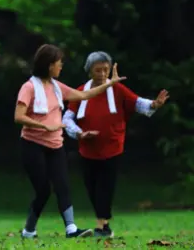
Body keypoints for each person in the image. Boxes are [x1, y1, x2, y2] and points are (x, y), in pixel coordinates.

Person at [14, 44, 127, 239]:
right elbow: (18, 116)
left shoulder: (57, 87)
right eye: (59, 63)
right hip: (33, 145)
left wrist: (109, 84)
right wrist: (44, 126)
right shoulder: (29, 87)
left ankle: (71, 229)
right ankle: (29, 230)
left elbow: (84, 95)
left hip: (55, 146)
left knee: (63, 186)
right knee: (43, 191)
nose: (61, 67)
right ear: (49, 65)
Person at [61, 51, 168, 237]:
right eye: (98, 70)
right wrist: (80, 133)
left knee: (105, 186)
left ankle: (103, 226)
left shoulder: (117, 90)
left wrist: (154, 105)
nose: (102, 74)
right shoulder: (80, 92)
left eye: (106, 70)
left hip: (112, 148)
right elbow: (67, 119)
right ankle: (103, 222)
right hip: (87, 150)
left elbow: (137, 103)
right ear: (89, 72)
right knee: (92, 187)